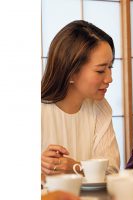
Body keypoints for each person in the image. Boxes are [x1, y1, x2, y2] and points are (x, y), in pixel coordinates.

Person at [41, 20, 120, 177]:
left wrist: (77, 167)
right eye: (100, 71)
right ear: (71, 72)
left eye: (110, 67)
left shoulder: (100, 107)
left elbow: (112, 171)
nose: (110, 79)